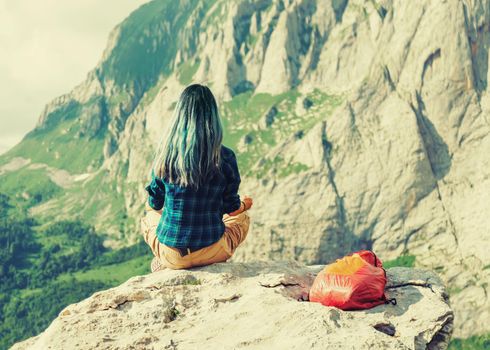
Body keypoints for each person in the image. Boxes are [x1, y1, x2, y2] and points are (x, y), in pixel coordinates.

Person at [140, 83, 253, 271]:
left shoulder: (165, 156)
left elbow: (155, 204)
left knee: (148, 217)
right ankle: (205, 259)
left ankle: (165, 261)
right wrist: (244, 205)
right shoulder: (225, 157)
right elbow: (231, 208)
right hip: (213, 251)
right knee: (243, 218)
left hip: (173, 255)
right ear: (213, 118)